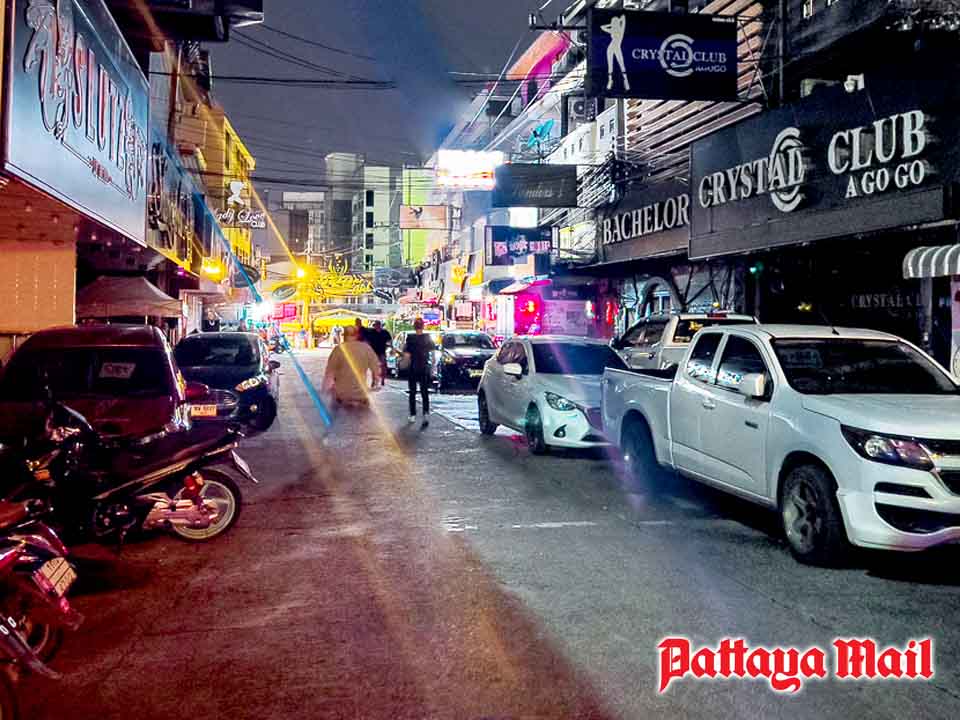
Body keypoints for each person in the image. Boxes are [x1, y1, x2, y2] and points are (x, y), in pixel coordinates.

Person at [322, 325, 381, 407]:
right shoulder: (366, 348)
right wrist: (375, 383)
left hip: (342, 397)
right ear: (357, 335)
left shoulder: (338, 350)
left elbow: (329, 373)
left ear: (344, 336)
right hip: (361, 396)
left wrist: (327, 389)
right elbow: (376, 369)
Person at [404, 318, 435, 426]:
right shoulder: (428, 337)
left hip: (413, 368)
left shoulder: (410, 338)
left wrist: (404, 363)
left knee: (412, 392)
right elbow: (433, 355)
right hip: (424, 367)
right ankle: (425, 414)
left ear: (414, 326)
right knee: (424, 392)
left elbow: (407, 355)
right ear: (423, 326)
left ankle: (412, 415)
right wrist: (433, 368)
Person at [366, 320, 393, 388]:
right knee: (374, 367)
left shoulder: (385, 332)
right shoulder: (371, 332)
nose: (377, 326)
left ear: (380, 325)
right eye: (376, 325)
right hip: (374, 352)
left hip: (382, 352)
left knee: (383, 366)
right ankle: (374, 380)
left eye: (378, 325)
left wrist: (388, 345)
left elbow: (389, 340)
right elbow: (368, 341)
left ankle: (382, 380)